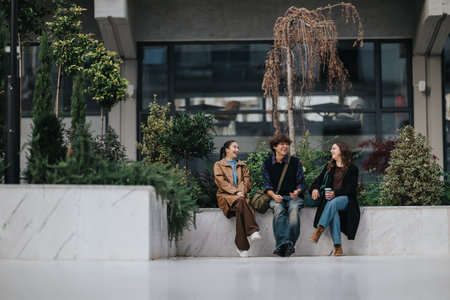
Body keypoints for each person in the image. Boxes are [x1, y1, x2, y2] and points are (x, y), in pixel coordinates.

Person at [309, 141, 361, 256]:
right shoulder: (329, 167)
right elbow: (317, 182)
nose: (331, 151)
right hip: (331, 202)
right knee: (334, 214)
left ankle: (319, 229)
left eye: (334, 149)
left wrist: (335, 193)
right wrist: (315, 189)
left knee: (334, 202)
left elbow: (351, 189)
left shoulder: (352, 169)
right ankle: (338, 247)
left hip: (347, 200)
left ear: (341, 151)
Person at [214, 140, 261, 257]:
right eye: (234, 147)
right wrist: (235, 191)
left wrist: (240, 192)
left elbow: (247, 183)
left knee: (240, 206)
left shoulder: (243, 165)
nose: (237, 150)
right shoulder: (218, 165)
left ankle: (242, 248)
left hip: (241, 197)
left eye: (238, 148)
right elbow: (221, 183)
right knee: (241, 202)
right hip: (225, 197)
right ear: (227, 150)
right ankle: (253, 230)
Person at [262, 134, 305, 257]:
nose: (285, 147)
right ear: (274, 146)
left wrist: (297, 191)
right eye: (282, 144)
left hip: (293, 197)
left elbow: (301, 183)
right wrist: (274, 196)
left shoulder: (295, 162)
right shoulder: (267, 164)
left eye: (287, 144)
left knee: (293, 210)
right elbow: (267, 185)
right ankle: (287, 245)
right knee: (278, 209)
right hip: (276, 197)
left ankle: (284, 245)